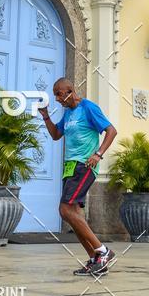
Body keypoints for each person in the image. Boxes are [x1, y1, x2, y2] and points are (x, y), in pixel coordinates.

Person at [39, 78, 117, 276]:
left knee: (65, 210)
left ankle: (103, 251)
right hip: (70, 167)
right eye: (55, 94)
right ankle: (95, 261)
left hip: (84, 165)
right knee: (74, 216)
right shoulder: (68, 113)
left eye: (59, 93)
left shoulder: (88, 107)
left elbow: (111, 130)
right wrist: (46, 116)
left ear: (70, 91)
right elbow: (57, 134)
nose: (57, 98)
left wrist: (98, 154)